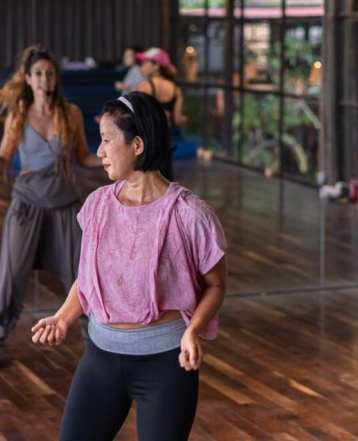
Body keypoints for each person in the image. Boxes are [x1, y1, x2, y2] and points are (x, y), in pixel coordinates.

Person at [32, 91, 227, 441]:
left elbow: (215, 285)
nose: (99, 151)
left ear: (137, 145)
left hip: (166, 364)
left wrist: (193, 330)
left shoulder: (190, 214)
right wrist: (63, 317)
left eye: (107, 141)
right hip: (100, 359)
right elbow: (89, 278)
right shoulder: (97, 206)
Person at [0, 45, 103, 372]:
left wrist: (114, 159)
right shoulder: (19, 114)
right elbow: (2, 161)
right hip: (28, 202)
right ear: (27, 78)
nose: (44, 79)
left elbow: (83, 157)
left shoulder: (72, 113)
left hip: (65, 201)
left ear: (56, 78)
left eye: (50, 73)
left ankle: (96, 342)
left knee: (85, 274)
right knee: (10, 275)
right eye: (38, 73)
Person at [136, 47, 184, 180]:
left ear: (156, 65)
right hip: (165, 139)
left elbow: (139, 116)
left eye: (145, 63)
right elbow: (178, 120)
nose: (142, 66)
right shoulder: (175, 88)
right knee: (165, 180)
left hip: (148, 140)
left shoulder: (145, 86)